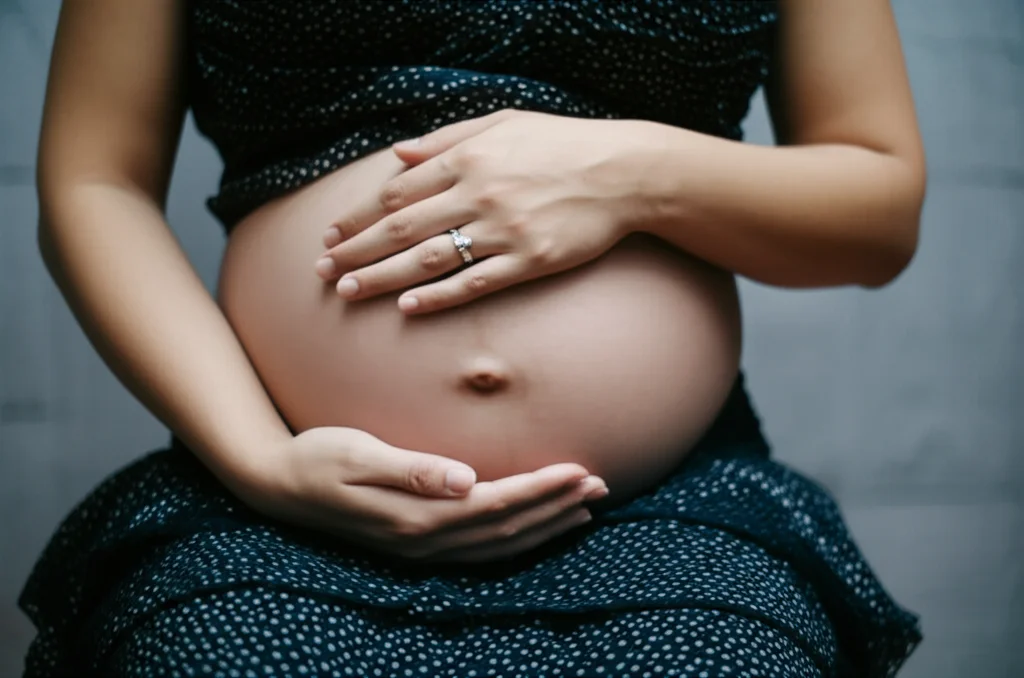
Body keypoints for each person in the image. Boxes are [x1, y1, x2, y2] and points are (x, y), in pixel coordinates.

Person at [20, 0, 926, 676]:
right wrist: (260, 460)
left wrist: (633, 175)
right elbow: (96, 178)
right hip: (278, 496)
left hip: (668, 502)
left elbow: (879, 212)